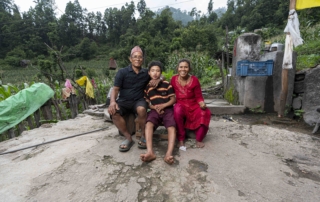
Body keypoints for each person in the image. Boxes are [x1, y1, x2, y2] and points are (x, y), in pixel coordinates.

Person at [108, 46, 160, 152]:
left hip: (139, 100)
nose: (137, 59)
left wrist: (159, 79)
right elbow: (115, 89)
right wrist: (112, 102)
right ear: (130, 59)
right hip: (124, 101)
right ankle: (128, 138)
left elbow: (158, 74)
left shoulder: (146, 72)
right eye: (135, 57)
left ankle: (144, 136)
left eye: (140, 57)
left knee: (141, 109)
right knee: (114, 112)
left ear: (143, 59)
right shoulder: (122, 72)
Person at [140, 61, 176, 164]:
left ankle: (168, 154)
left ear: (161, 73)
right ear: (149, 73)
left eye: (158, 70)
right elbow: (147, 103)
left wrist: (163, 106)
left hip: (168, 109)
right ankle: (150, 152)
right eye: (153, 70)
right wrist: (154, 107)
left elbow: (173, 99)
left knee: (171, 127)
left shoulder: (166, 84)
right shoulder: (147, 87)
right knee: (149, 124)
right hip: (154, 110)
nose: (155, 73)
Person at [170, 58, 211, 148]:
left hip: (193, 104)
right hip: (180, 104)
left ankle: (199, 139)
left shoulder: (195, 80)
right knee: (177, 110)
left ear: (189, 69)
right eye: (181, 67)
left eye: (186, 67)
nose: (183, 69)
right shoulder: (173, 79)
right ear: (177, 68)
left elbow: (199, 96)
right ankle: (181, 138)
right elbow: (168, 90)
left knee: (205, 112)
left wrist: (202, 103)